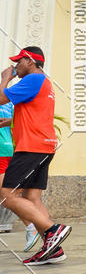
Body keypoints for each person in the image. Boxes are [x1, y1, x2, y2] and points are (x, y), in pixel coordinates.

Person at [0, 47, 70, 264]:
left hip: (30, 147)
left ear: (30, 61)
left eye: (19, 61)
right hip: (43, 146)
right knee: (32, 198)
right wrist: (10, 121)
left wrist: (5, 78)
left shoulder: (32, 79)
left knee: (7, 195)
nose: (16, 66)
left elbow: (1, 98)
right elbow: (36, 113)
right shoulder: (44, 82)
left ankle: (53, 230)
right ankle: (54, 249)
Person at [0, 98, 40, 252]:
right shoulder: (9, 103)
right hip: (8, 148)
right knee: (7, 196)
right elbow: (19, 122)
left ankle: (34, 226)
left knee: (7, 196)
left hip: (2, 152)